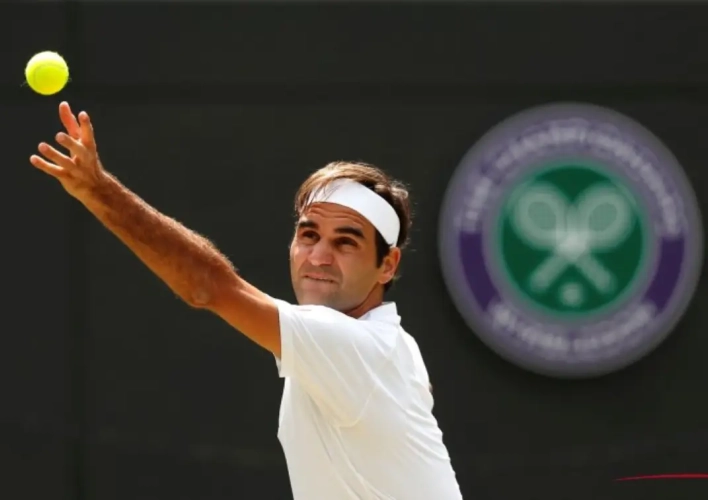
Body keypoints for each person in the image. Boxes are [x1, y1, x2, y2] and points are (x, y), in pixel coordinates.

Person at [30, 102, 463, 499]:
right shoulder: (386, 346)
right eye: (308, 235)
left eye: (345, 242)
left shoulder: (356, 346)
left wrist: (98, 190)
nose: (318, 256)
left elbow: (207, 287)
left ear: (387, 265)